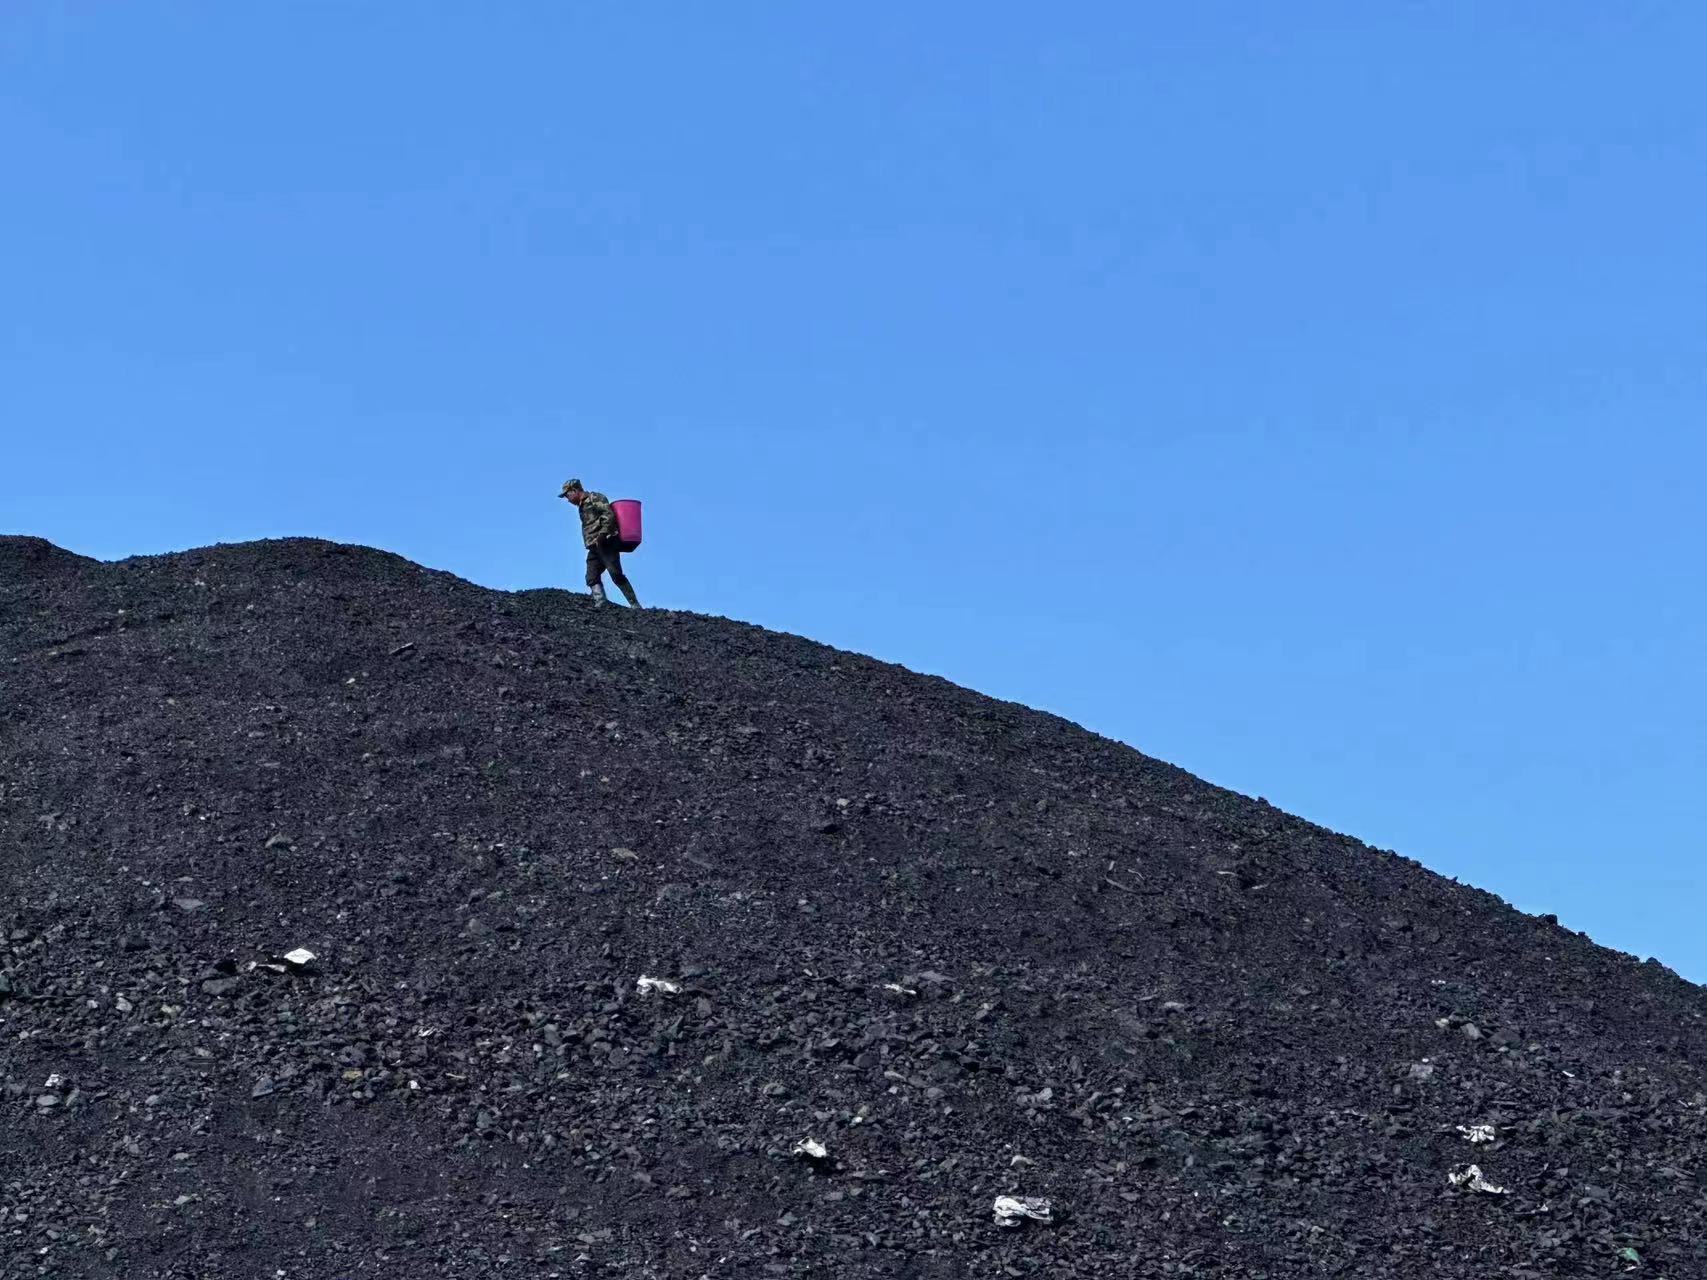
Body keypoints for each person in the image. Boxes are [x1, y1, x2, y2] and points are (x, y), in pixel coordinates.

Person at [560, 478, 641, 608]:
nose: (568, 499)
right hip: (594, 546)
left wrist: (603, 534)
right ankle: (601, 602)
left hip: (606, 542)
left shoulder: (595, 498)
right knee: (591, 576)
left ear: (574, 490)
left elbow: (608, 515)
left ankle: (634, 604)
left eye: (567, 495)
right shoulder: (581, 506)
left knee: (615, 574)